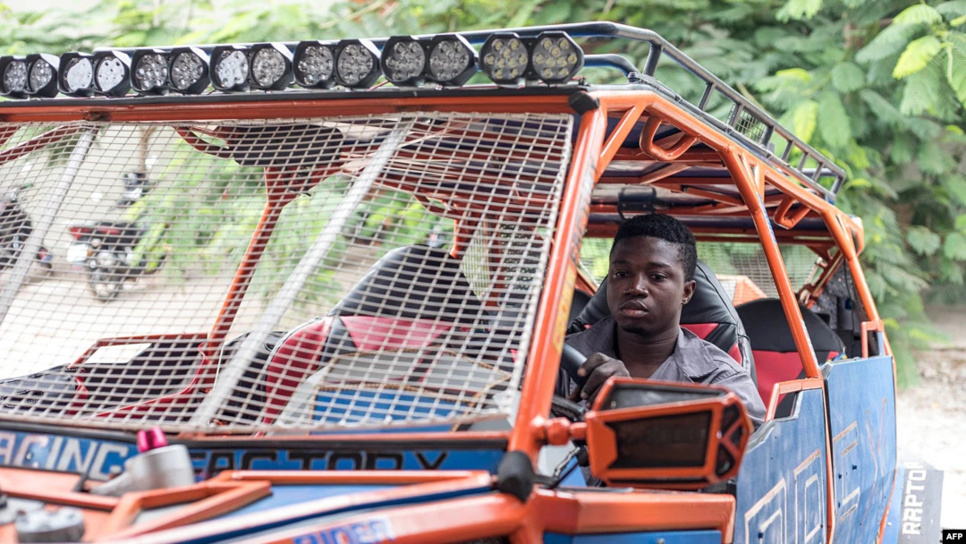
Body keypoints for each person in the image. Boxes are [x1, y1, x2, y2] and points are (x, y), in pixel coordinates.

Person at [562, 213, 766, 428]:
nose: (635, 287)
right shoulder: (560, 360)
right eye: (621, 274)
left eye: (657, 277)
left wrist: (632, 401)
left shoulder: (723, 380)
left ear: (686, 292)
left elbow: (750, 450)